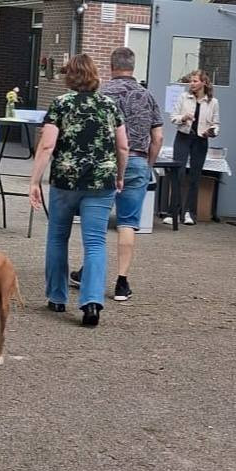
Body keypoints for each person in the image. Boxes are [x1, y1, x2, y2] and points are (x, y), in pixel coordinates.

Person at [29, 54, 128, 327]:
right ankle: (92, 302)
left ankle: (57, 296)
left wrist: (35, 181)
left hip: (66, 181)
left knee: (57, 237)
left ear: (70, 77)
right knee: (95, 242)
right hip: (101, 182)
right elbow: (123, 146)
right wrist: (120, 175)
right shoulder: (109, 106)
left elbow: (47, 145)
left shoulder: (61, 104)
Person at [78, 46, 163, 302]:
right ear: (133, 66)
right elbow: (158, 137)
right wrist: (148, 164)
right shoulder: (147, 95)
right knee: (127, 222)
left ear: (111, 66)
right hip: (137, 160)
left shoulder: (101, 94)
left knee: (97, 222)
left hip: (104, 162)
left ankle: (88, 272)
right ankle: (122, 282)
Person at [165, 70, 219, 225]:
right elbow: (173, 117)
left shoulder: (213, 102)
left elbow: (216, 124)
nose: (192, 84)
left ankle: (189, 213)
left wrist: (212, 132)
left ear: (204, 83)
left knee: (195, 175)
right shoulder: (184, 97)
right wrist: (183, 117)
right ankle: (173, 213)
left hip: (201, 139)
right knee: (178, 173)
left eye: (195, 81)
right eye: (191, 81)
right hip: (183, 137)